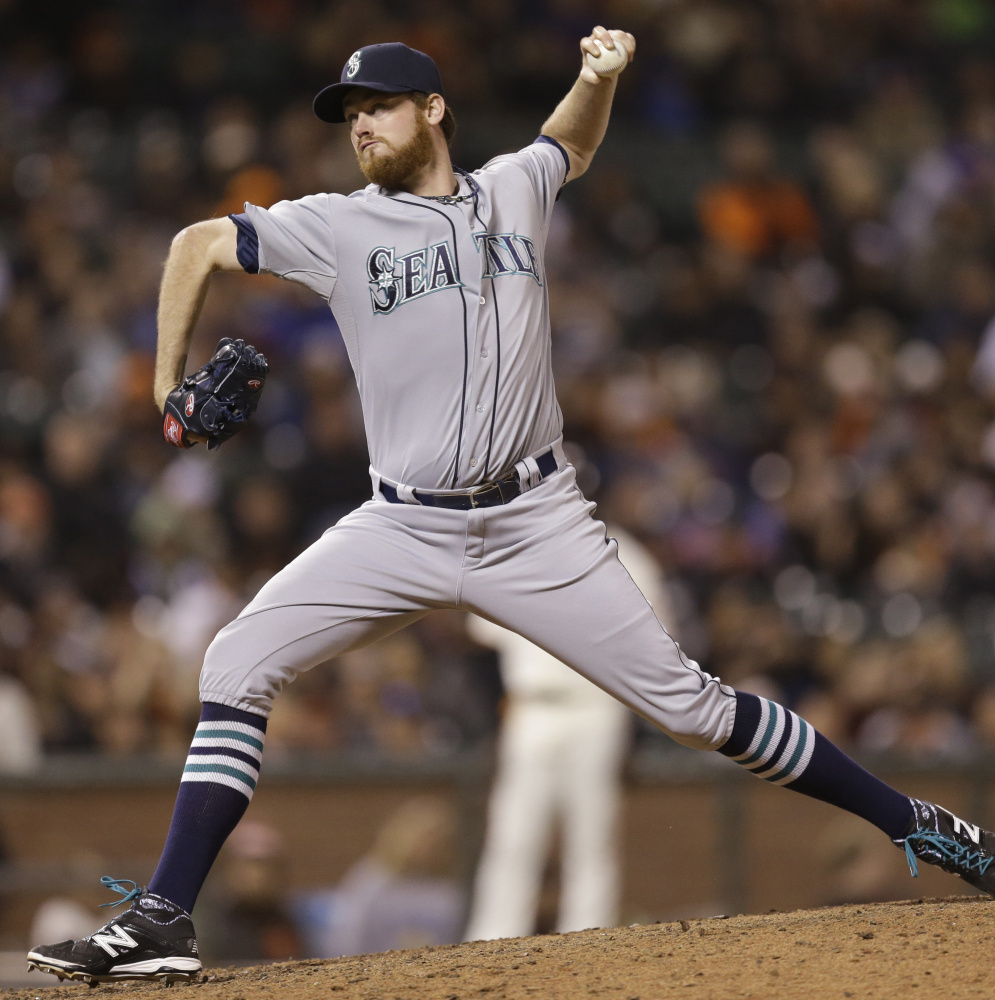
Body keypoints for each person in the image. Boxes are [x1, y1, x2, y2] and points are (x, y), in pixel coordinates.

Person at [27, 28, 995, 987]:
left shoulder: (510, 189)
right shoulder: (337, 223)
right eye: (350, 114)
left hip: (537, 522)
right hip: (401, 524)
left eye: (379, 107)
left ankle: (916, 823)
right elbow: (197, 244)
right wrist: (165, 389)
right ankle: (163, 916)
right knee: (236, 658)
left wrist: (594, 76)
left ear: (432, 110)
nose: (361, 126)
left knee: (692, 709)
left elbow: (567, 142)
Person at [464, 525, 664, 940]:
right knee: (513, 834)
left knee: (591, 836)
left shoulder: (626, 553)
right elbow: (480, 626)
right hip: (532, 707)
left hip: (596, 707)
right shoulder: (517, 544)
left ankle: (590, 938)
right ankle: (492, 942)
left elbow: (655, 636)